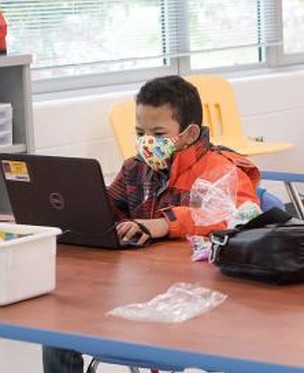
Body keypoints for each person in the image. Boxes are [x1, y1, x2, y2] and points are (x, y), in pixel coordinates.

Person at [42, 75, 261, 373]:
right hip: (143, 286)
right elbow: (108, 211)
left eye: (157, 133)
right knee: (59, 321)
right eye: (139, 132)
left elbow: (240, 218)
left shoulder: (220, 170)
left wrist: (163, 224)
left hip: (200, 296)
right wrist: (72, 206)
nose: (147, 142)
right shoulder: (136, 168)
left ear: (188, 132)